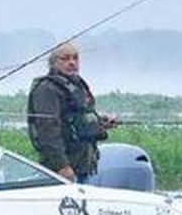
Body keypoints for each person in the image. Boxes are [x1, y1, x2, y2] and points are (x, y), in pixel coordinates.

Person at [26, 42, 118, 181]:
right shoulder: (46, 89)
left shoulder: (77, 84)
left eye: (75, 58)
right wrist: (62, 166)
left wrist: (100, 122)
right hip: (61, 169)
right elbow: (47, 130)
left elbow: (78, 118)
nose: (71, 62)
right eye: (65, 58)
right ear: (53, 63)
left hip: (83, 164)